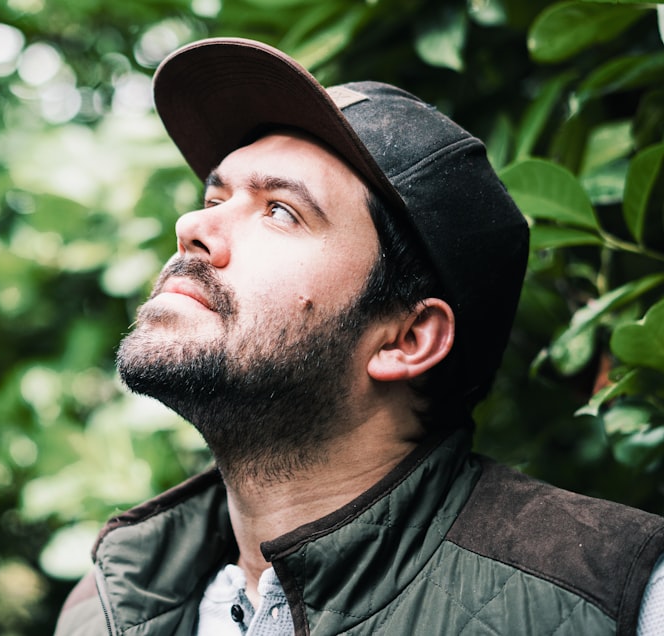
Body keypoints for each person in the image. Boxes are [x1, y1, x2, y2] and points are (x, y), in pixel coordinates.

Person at [53, 37, 664, 635]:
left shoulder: (622, 597)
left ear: (408, 338)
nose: (192, 224)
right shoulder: (106, 605)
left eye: (280, 211)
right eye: (216, 196)